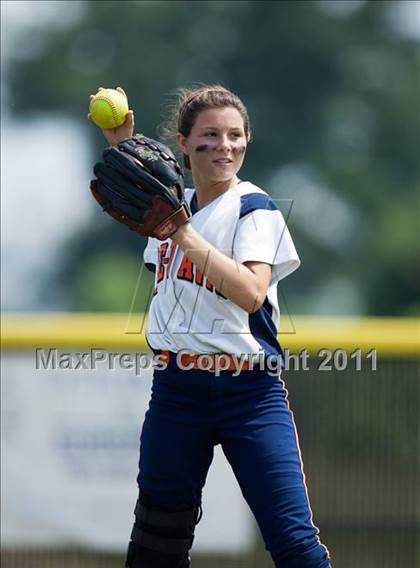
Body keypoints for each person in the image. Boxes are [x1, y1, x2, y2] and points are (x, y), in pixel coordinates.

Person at [89, 85, 331, 568]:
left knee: (293, 540)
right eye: (211, 135)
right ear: (183, 142)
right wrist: (123, 146)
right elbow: (148, 196)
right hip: (177, 392)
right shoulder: (172, 208)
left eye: (235, 135)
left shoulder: (253, 208)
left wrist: (179, 228)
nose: (226, 145)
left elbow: (250, 292)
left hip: (250, 394)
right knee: (158, 538)